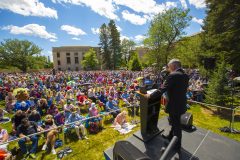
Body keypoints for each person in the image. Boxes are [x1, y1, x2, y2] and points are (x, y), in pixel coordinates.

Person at [156, 59, 189, 152]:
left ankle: (177, 145)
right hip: (181, 103)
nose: (168, 69)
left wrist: (150, 95)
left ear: (173, 66)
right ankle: (170, 136)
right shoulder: (185, 75)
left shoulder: (173, 75)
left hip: (174, 105)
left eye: (169, 66)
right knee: (174, 122)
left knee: (177, 125)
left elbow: (163, 88)